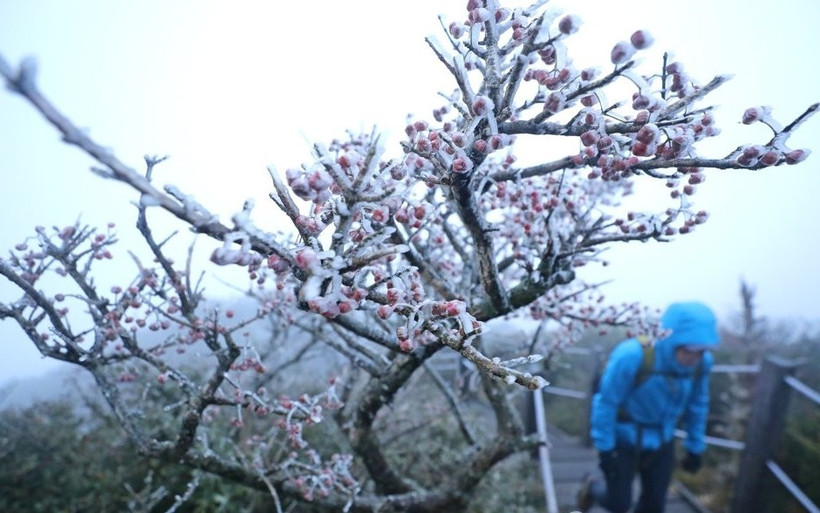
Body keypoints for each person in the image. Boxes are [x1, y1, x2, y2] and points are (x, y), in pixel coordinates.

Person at [576, 301, 719, 513]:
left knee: (654, 506)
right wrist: (605, 449)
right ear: (672, 340)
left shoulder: (702, 364)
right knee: (619, 504)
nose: (694, 358)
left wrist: (694, 448)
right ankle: (592, 485)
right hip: (622, 439)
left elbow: (697, 404)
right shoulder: (633, 355)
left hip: (663, 439)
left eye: (702, 351)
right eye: (689, 350)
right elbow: (606, 402)